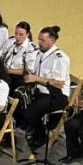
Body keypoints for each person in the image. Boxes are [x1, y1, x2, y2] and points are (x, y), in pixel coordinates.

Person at [18, 25, 71, 153]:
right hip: (42, 92)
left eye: (42, 40)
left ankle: (41, 135)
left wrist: (36, 78)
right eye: (39, 39)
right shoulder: (40, 54)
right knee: (19, 101)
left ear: (52, 41)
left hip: (56, 96)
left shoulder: (60, 58)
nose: (39, 43)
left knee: (30, 112)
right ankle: (32, 128)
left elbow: (59, 83)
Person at [0, 21, 39, 95]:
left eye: (21, 35)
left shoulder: (32, 48)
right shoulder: (10, 42)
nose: (17, 37)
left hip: (18, 78)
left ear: (27, 34)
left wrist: (8, 71)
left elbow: (29, 71)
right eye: (16, 33)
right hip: (4, 73)